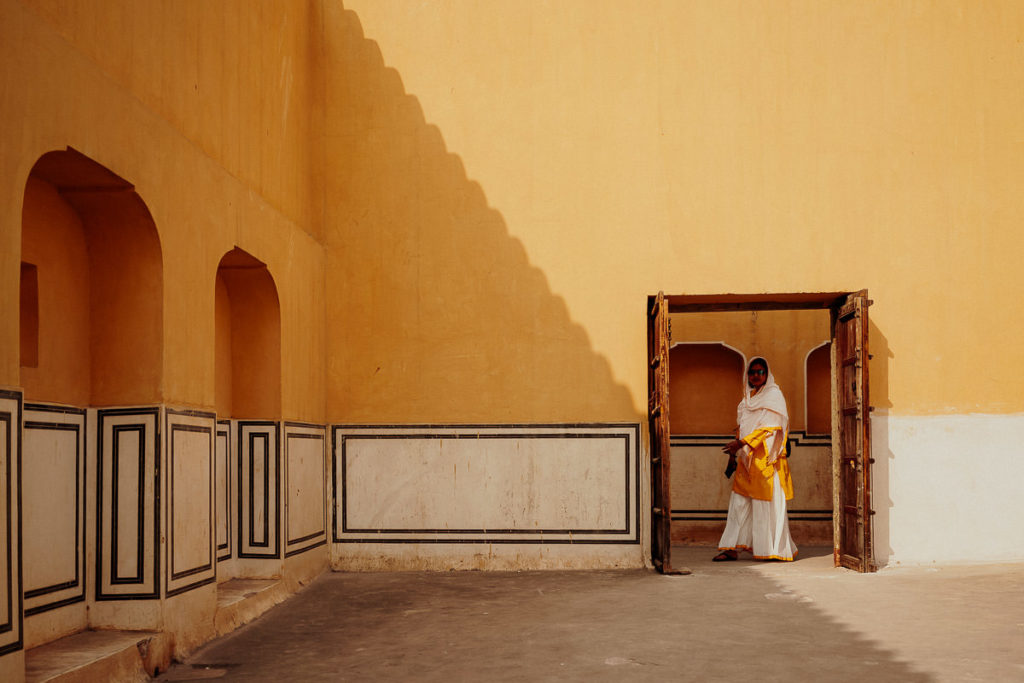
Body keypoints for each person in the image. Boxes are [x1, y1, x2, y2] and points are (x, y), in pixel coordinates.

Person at [713, 356, 798, 562]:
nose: (756, 376)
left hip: (768, 461)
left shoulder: (774, 396)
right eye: (752, 372)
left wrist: (741, 443)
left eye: (760, 372)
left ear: (767, 374)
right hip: (747, 460)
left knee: (767, 506)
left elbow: (770, 428)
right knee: (738, 504)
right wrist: (734, 454)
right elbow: (741, 429)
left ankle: (773, 549)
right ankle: (731, 548)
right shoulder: (746, 401)